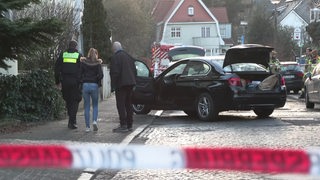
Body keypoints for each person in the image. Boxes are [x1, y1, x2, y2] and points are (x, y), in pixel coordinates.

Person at [55, 40, 83, 129]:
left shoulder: (63, 55)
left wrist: (57, 81)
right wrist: (81, 81)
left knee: (68, 100)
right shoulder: (79, 55)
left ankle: (71, 120)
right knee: (75, 100)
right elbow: (82, 70)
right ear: (75, 47)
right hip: (75, 82)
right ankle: (72, 121)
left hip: (65, 81)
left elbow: (56, 69)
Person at [110, 41, 137, 133]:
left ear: (114, 49)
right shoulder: (129, 57)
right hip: (130, 84)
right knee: (128, 104)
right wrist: (134, 82)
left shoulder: (115, 57)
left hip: (121, 84)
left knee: (120, 104)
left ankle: (123, 125)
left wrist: (113, 86)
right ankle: (130, 124)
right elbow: (134, 70)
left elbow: (115, 73)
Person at [80, 48, 104, 132]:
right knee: (95, 105)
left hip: (85, 85)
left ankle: (87, 127)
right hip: (94, 85)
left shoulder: (83, 62)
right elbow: (101, 75)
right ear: (96, 54)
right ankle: (94, 121)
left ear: (88, 54)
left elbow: (80, 73)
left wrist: (83, 80)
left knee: (86, 106)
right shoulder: (98, 63)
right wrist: (96, 78)